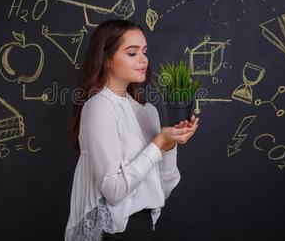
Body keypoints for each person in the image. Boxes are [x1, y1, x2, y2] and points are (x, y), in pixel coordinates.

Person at [65, 19, 199, 241]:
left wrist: (169, 145)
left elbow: (162, 190)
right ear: (107, 59)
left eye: (144, 52)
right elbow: (113, 190)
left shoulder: (148, 112)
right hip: (109, 234)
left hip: (141, 230)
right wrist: (157, 144)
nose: (143, 59)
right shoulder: (99, 107)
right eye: (132, 53)